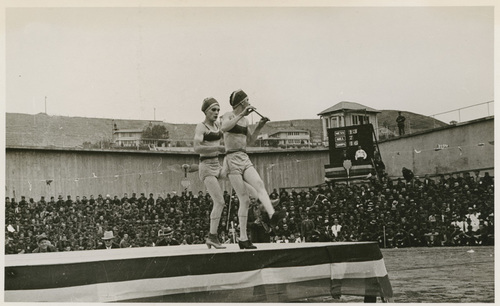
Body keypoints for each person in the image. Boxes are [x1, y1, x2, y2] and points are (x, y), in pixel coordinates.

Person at [220, 89, 284, 249]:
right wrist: (242, 115)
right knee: (245, 199)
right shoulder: (228, 115)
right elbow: (224, 128)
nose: (249, 102)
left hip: (243, 156)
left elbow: (250, 141)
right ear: (241, 103)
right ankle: (243, 238)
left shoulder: (245, 122)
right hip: (231, 159)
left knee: (259, 184)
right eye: (247, 100)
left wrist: (260, 126)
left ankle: (272, 215)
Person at [193, 97, 228, 249]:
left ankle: (261, 199)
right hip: (206, 167)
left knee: (239, 172)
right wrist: (217, 149)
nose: (216, 112)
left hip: (217, 165)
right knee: (219, 202)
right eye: (213, 109)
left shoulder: (218, 125)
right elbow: (197, 148)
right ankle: (212, 236)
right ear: (206, 111)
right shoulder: (201, 127)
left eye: (218, 110)